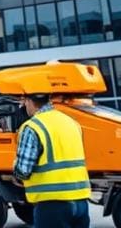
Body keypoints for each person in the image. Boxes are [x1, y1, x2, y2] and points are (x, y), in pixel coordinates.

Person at [12, 93, 90, 228]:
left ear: (29, 101)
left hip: (52, 204)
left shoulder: (32, 126)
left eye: (24, 101)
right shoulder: (71, 122)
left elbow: (22, 171)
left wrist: (15, 169)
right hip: (81, 200)